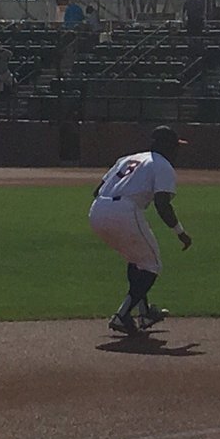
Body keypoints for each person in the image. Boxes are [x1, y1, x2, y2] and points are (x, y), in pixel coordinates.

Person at [89, 126, 192, 336]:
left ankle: (144, 313)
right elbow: (162, 204)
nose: (177, 152)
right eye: (175, 147)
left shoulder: (128, 158)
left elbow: (97, 190)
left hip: (97, 211)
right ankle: (122, 314)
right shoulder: (162, 165)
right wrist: (180, 232)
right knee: (152, 265)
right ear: (166, 147)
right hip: (124, 210)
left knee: (137, 260)